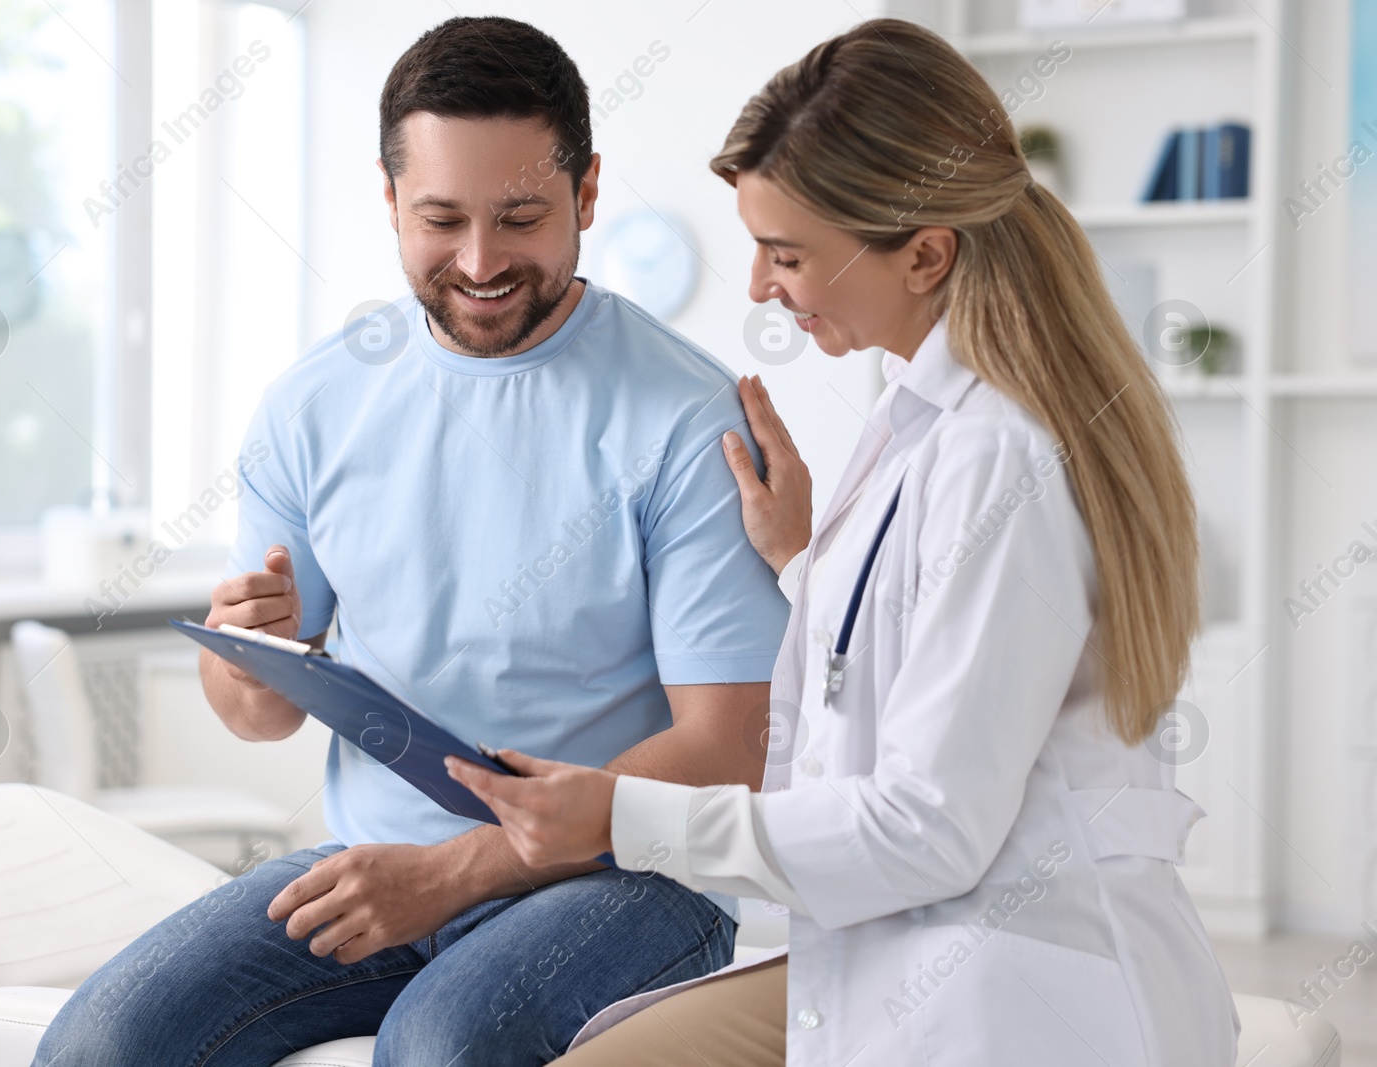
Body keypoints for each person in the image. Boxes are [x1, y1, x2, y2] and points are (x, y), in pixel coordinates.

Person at [450, 18, 1239, 1067]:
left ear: (924, 253)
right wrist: (801, 558)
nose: (758, 288)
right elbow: (919, 637)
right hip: (910, 935)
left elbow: (924, 828)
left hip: (1012, 982)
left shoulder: (999, 453)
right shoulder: (924, 408)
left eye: (786, 255)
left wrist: (621, 816)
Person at [33, 16, 789, 1067]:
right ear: (389, 201)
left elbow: (729, 747)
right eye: (441, 218)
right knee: (98, 1045)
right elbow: (254, 712)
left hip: (626, 879)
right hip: (375, 861)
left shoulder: (682, 414)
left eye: (520, 216)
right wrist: (248, 655)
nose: (481, 261)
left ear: (587, 192)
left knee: (437, 1047)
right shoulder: (314, 405)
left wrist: (466, 867)